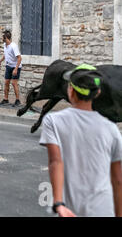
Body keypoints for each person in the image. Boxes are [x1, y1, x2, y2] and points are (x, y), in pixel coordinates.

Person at [40, 64, 122, 217]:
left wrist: (58, 203)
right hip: (104, 208)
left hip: (71, 207)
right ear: (97, 93)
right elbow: (118, 179)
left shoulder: (53, 121)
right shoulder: (112, 129)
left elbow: (55, 162)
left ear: (70, 91)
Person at [0, 30, 22, 107]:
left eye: (2, 37)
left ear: (5, 38)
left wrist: (16, 69)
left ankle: (17, 101)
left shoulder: (13, 46)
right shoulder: (5, 45)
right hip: (8, 66)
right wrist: (0, 61)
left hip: (16, 66)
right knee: (6, 82)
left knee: (14, 83)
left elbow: (19, 58)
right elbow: (6, 55)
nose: (1, 38)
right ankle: (5, 99)